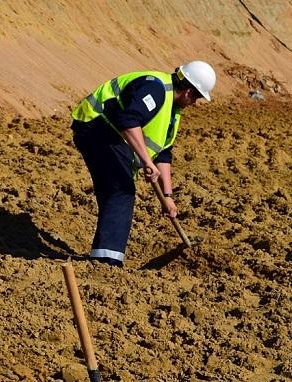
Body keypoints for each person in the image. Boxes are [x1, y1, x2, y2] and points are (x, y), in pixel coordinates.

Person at [70, 61, 216, 266]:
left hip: (113, 138)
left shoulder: (173, 112)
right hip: (97, 128)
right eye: (197, 98)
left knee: (116, 189)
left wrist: (168, 196)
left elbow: (163, 153)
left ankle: (105, 254)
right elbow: (128, 121)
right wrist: (146, 161)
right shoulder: (156, 89)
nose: (195, 103)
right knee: (121, 190)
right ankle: (106, 261)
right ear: (189, 93)